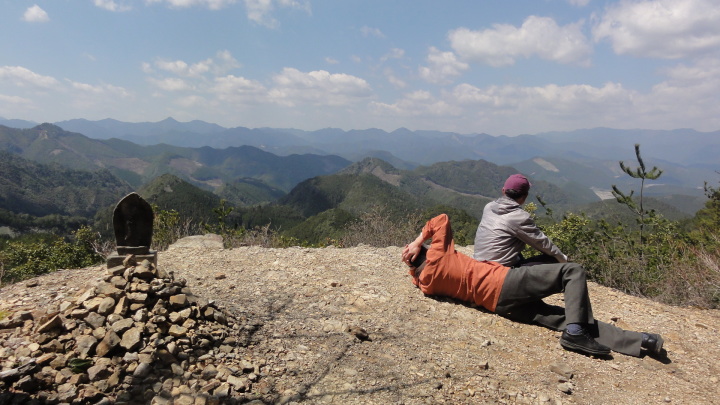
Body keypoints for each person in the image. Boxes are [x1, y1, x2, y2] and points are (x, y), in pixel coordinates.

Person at [403, 213, 664, 358]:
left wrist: (413, 266)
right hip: (504, 283)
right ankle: (576, 335)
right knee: (572, 271)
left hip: (499, 306)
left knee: (569, 318)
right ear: (427, 251)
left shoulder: (425, 284)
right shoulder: (438, 256)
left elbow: (416, 275)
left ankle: (640, 340)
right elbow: (441, 219)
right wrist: (417, 242)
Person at [473, 174, 567, 267]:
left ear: (503, 191)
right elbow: (542, 243)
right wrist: (563, 259)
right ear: (525, 196)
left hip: (479, 265)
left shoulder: (489, 207)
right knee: (553, 259)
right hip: (500, 270)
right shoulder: (520, 217)